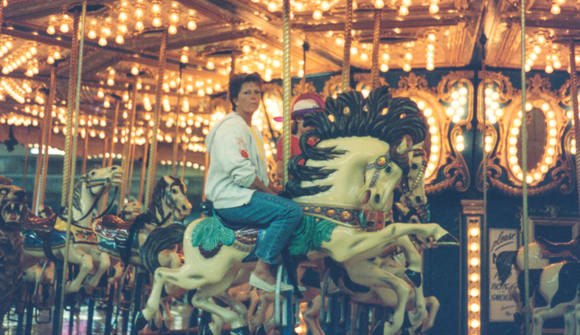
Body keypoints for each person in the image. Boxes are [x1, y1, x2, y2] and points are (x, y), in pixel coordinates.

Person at [204, 72, 302, 292]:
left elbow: (258, 176)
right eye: (247, 93)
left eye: (257, 92)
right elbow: (243, 175)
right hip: (231, 199)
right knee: (291, 212)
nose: (254, 97)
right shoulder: (231, 127)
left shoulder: (253, 131)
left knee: (292, 202)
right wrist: (269, 191)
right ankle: (262, 269)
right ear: (235, 99)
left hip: (244, 195)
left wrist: (275, 189)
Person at [274, 93, 324, 180]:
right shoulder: (287, 141)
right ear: (298, 119)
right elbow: (280, 170)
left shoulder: (312, 142)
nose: (313, 124)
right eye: (309, 120)